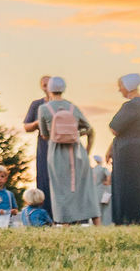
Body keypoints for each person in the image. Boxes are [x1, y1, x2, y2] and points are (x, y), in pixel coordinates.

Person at [32, 77, 100, 225]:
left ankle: (64, 224)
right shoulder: (72, 107)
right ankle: (97, 223)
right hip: (77, 151)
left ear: (49, 89)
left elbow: (44, 134)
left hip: (56, 153)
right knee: (85, 187)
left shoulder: (44, 109)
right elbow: (88, 128)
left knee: (60, 189)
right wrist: (80, 141)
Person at [107, 73, 140, 226]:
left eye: (121, 86)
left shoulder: (131, 105)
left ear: (128, 87)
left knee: (129, 186)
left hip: (130, 152)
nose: (120, 90)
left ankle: (128, 218)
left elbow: (114, 128)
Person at [21, 75, 54, 207]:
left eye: (50, 84)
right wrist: (37, 122)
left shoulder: (64, 105)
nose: (47, 88)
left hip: (61, 144)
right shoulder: (37, 105)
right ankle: (45, 213)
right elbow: (26, 127)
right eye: (45, 85)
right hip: (44, 146)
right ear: (41, 87)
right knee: (44, 179)